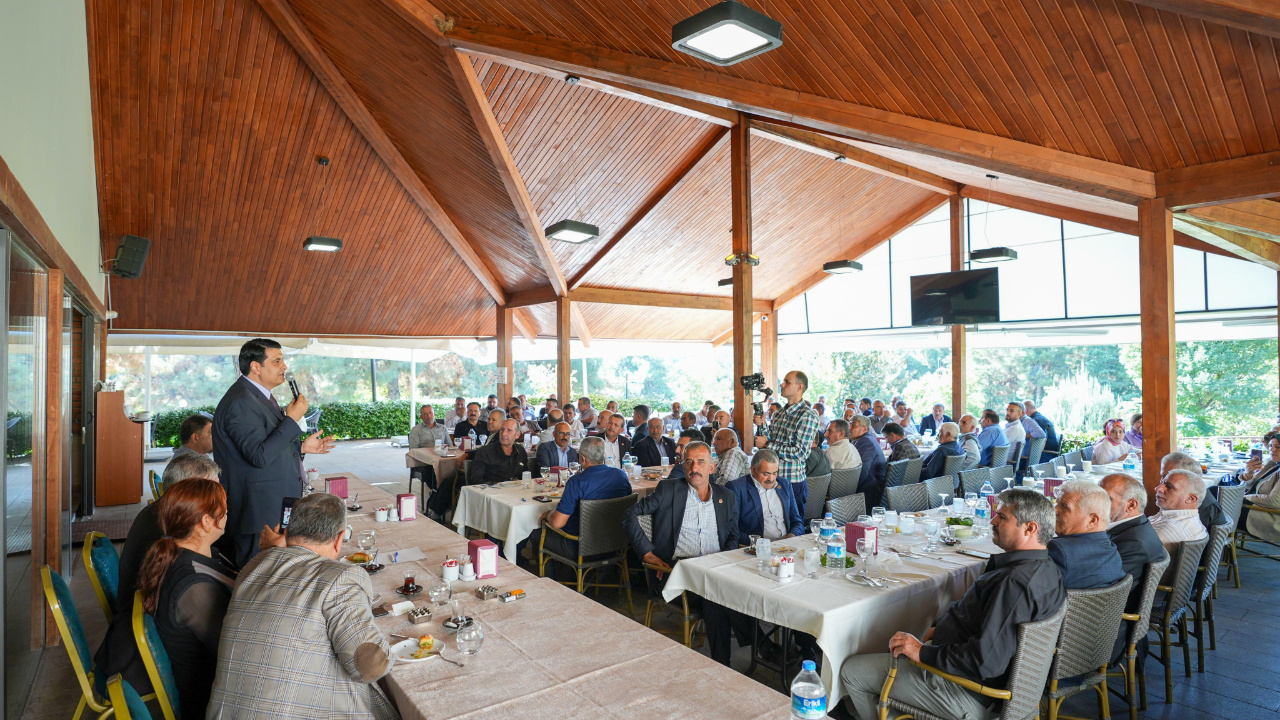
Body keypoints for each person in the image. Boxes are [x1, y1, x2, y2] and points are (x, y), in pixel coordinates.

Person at [839, 488, 1065, 720]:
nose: (992, 520)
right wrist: (945, 631)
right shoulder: (1048, 569)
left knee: (852, 672)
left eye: (1003, 517)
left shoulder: (1013, 584)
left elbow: (986, 662)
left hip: (970, 693)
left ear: (1030, 528)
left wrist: (923, 653)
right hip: (1005, 688)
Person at [208, 493, 397, 719]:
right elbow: (369, 666)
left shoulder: (252, 567)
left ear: (286, 533)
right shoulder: (341, 577)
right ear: (340, 539)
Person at [95, 454, 224, 695]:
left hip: (141, 625)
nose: (222, 497)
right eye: (211, 488)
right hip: (166, 652)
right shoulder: (168, 538)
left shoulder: (164, 517)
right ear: (190, 493)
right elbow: (226, 646)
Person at [212, 338, 335, 567]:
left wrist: (300, 447)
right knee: (256, 578)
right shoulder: (240, 402)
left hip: (269, 506)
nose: (284, 367)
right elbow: (259, 456)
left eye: (283, 360)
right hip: (257, 513)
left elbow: (262, 446)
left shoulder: (259, 397)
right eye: (277, 361)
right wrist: (292, 418)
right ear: (255, 367)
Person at [623, 442, 747, 666]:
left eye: (701, 462)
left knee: (748, 590)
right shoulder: (669, 490)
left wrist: (723, 563)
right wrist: (647, 553)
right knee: (716, 598)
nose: (694, 468)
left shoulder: (726, 497)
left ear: (712, 467)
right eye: (688, 462)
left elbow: (733, 537)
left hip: (714, 568)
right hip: (676, 570)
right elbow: (629, 515)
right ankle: (731, 661)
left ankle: (751, 651)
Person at [131, 480, 235, 719]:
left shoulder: (179, 554)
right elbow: (235, 652)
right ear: (207, 522)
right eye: (224, 510)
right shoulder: (195, 589)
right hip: (210, 701)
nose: (228, 514)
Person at [523, 436, 631, 564]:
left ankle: (550, 581)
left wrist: (548, 514)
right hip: (616, 544)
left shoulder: (577, 482)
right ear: (604, 455)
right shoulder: (621, 475)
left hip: (580, 548)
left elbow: (557, 523)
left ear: (583, 458)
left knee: (536, 533)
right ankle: (600, 576)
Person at [1100, 473, 1166, 662]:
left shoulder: (1133, 543)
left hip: (1110, 636)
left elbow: (1098, 588)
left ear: (1131, 505)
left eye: (1107, 498)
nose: (1097, 502)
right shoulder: (1135, 528)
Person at [752, 370, 821, 512]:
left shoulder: (807, 416)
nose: (782, 384)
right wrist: (762, 425)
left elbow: (800, 453)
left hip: (792, 482)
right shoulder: (778, 414)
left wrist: (766, 444)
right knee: (772, 524)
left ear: (800, 387)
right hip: (772, 479)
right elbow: (771, 439)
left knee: (793, 527)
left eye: (787, 382)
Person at [1047, 480, 1126, 589]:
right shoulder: (1112, 551)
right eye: (1057, 503)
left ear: (1092, 520)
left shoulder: (1059, 550)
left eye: (1065, 506)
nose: (1055, 509)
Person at [726, 449, 804, 546]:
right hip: (755, 548)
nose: (771, 479)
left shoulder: (784, 485)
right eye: (766, 474)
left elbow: (797, 521)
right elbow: (732, 530)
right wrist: (762, 543)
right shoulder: (737, 488)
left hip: (786, 546)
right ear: (753, 470)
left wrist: (791, 536)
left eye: (775, 473)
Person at [1159, 451, 1229, 528]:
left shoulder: (1198, 507)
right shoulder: (1188, 495)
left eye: (1168, 477)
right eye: (1162, 476)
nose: (1161, 482)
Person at [1150, 469, 1209, 553]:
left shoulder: (1168, 529)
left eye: (1169, 487)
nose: (1158, 488)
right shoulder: (1189, 519)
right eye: (1161, 483)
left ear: (1190, 498)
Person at [468, 419, 530, 485]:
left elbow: (526, 475)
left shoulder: (520, 451)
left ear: (517, 435)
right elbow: (476, 480)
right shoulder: (485, 452)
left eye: (509, 430)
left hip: (516, 491)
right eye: (502, 429)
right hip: (491, 492)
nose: (503, 434)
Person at [849, 415, 887, 508]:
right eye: (849, 424)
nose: (849, 428)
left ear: (864, 428)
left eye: (853, 425)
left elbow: (862, 471)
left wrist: (848, 489)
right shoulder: (864, 439)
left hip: (870, 491)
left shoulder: (866, 441)